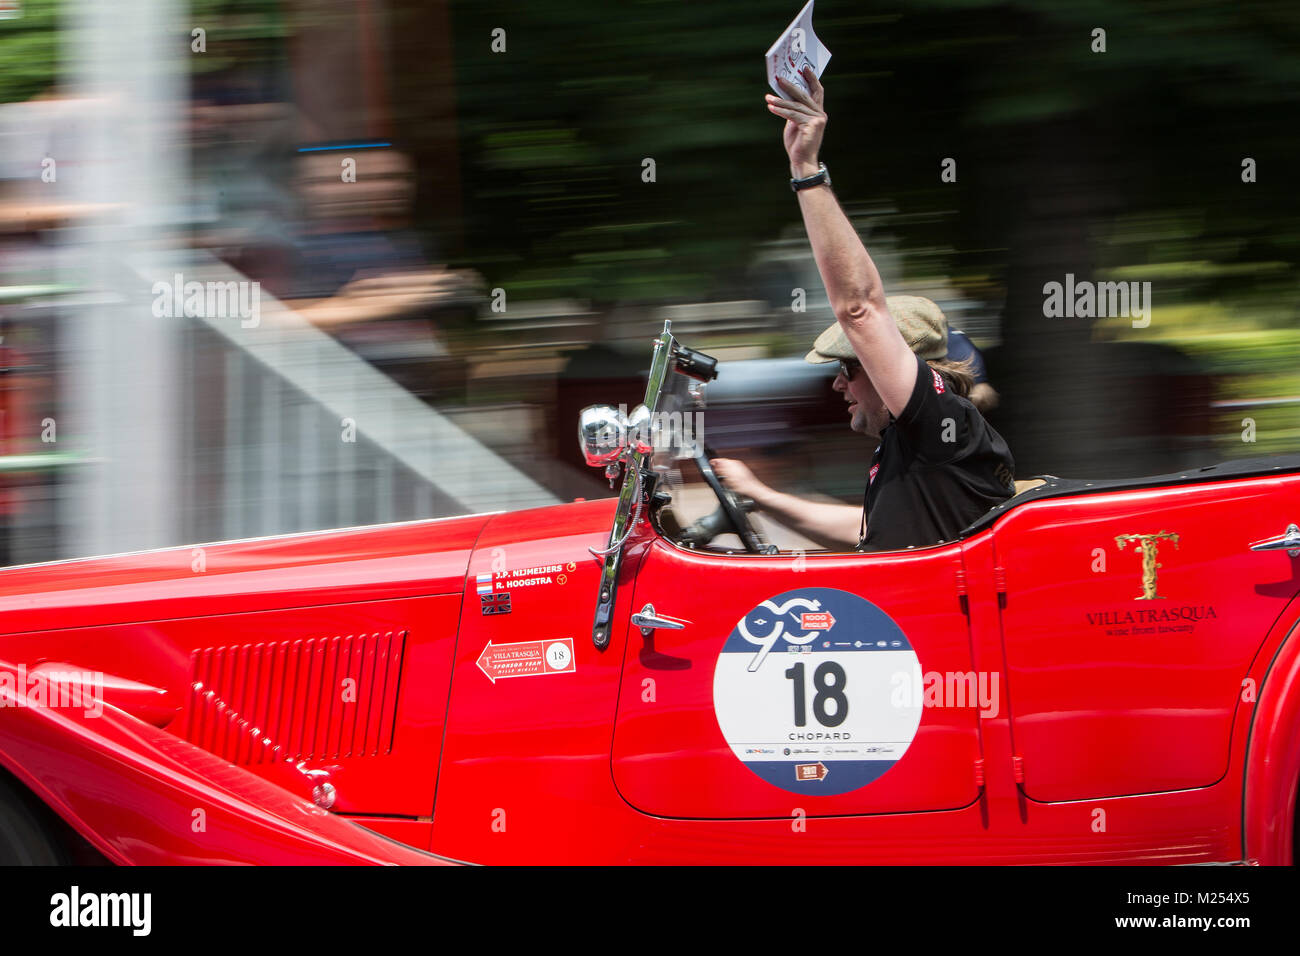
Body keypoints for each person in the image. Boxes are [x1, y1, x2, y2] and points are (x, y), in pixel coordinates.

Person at [710, 68, 1015, 552]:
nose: (837, 383)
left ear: (898, 365)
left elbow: (859, 309)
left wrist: (805, 169)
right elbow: (867, 533)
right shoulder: (913, 443)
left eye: (850, 368)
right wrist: (759, 496)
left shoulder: (941, 424)